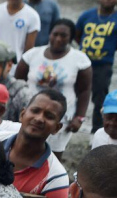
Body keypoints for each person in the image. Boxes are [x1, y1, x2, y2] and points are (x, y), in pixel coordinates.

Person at [16, 18, 92, 157]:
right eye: (55, 34)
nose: (58, 39)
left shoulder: (80, 60)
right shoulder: (32, 55)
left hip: (60, 118)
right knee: (24, 151)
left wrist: (79, 117)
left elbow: (84, 91)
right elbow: (18, 83)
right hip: (32, 114)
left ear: (71, 38)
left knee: (52, 157)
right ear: (49, 34)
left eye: (63, 36)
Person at [76, 0, 117, 134]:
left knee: (100, 99)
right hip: (81, 64)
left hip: (103, 65)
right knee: (73, 93)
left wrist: (107, 50)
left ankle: (96, 131)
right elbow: (77, 35)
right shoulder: (86, 15)